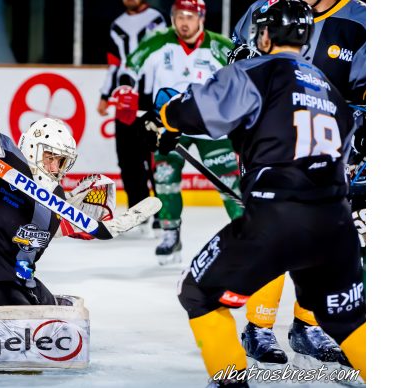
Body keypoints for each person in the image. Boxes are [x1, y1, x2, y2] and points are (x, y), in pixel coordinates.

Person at [156, 0, 365, 385]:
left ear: (265, 35)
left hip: (276, 217)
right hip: (336, 224)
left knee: (198, 294)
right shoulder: (333, 95)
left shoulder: (253, 71)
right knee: (351, 319)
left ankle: (232, 378)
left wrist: (166, 116)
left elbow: (195, 112)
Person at [230, 0, 366, 366]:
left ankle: (308, 325)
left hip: (329, 142)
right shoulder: (265, 5)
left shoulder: (361, 18)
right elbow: (236, 53)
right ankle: (258, 325)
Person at [0, 87, 118, 308]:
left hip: (15, 282)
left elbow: (25, 258)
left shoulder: (52, 200)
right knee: (35, 332)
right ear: (32, 148)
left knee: (61, 314)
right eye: (50, 157)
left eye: (61, 161)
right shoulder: (0, 157)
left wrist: (67, 223)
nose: (54, 167)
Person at [126, 0, 242, 265]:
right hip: (169, 126)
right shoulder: (158, 40)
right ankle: (170, 233)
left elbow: (243, 75)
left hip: (211, 126)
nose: (184, 22)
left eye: (189, 16)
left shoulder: (219, 45)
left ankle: (246, 231)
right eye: (179, 16)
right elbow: (130, 66)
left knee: (229, 183)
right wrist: (125, 88)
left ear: (201, 17)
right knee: (165, 179)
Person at [98, 0, 166, 229]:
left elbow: (163, 60)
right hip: (124, 103)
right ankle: (139, 211)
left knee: (155, 160)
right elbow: (113, 65)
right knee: (128, 160)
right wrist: (105, 95)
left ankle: (162, 211)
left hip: (149, 102)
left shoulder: (157, 19)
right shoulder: (117, 24)